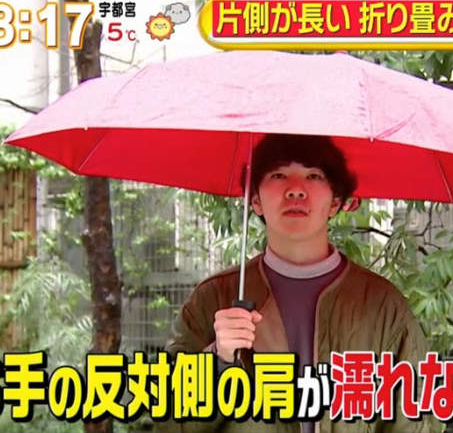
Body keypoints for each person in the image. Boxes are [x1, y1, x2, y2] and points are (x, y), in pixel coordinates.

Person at [163, 134, 438, 433]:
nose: (295, 189)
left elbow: (415, 422)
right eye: (278, 175)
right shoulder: (215, 298)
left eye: (313, 176)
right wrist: (219, 361)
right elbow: (170, 423)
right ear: (255, 200)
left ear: (335, 202)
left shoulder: (382, 305)